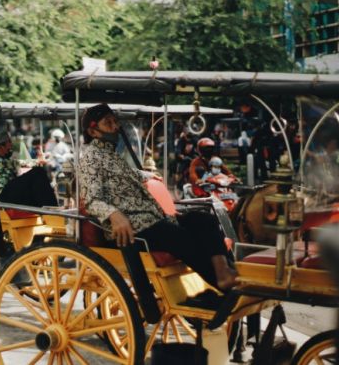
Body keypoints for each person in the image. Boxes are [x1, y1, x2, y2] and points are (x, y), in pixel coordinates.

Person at [78, 103, 237, 290]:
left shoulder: (110, 155)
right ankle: (223, 287)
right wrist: (114, 215)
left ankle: (224, 272)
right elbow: (91, 199)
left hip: (151, 219)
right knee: (181, 237)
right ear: (94, 131)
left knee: (204, 220)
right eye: (108, 123)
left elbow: (128, 174)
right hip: (131, 227)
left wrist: (148, 175)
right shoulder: (90, 157)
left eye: (115, 122)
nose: (115, 127)